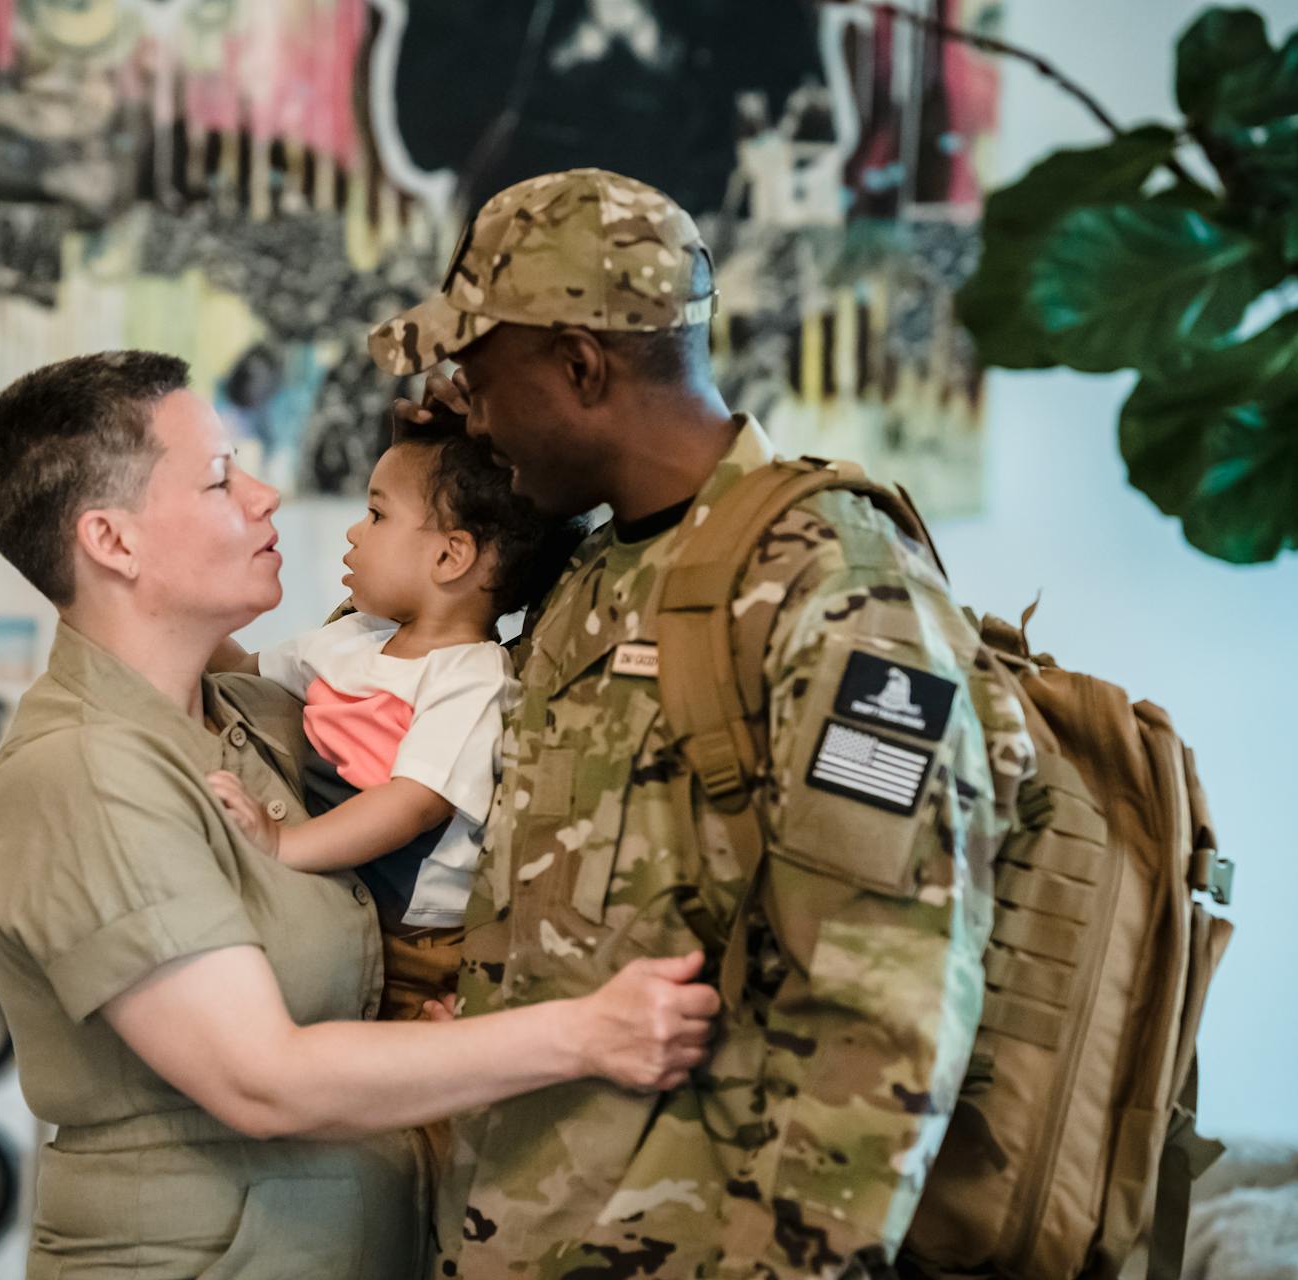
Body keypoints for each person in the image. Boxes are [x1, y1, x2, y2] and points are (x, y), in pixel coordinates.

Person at [368, 169, 1035, 1277]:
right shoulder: (594, 569)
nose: (471, 409)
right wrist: (465, 456)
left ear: (581, 364)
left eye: (481, 380)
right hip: (518, 1230)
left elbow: (884, 1010)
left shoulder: (838, 588)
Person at [0, 350, 719, 1279]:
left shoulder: (247, 716)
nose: (267, 494)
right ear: (112, 542)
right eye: (219, 477)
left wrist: (501, 450)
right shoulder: (86, 770)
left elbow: (449, 618)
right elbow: (260, 1078)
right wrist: (588, 1033)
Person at [205, 419, 582, 1029]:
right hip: (341, 906)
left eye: (377, 515)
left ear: (450, 554)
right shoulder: (352, 639)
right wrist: (177, 609)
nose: (355, 533)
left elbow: (411, 805)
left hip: (416, 947)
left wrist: (284, 845)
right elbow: (240, 672)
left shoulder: (472, 678)